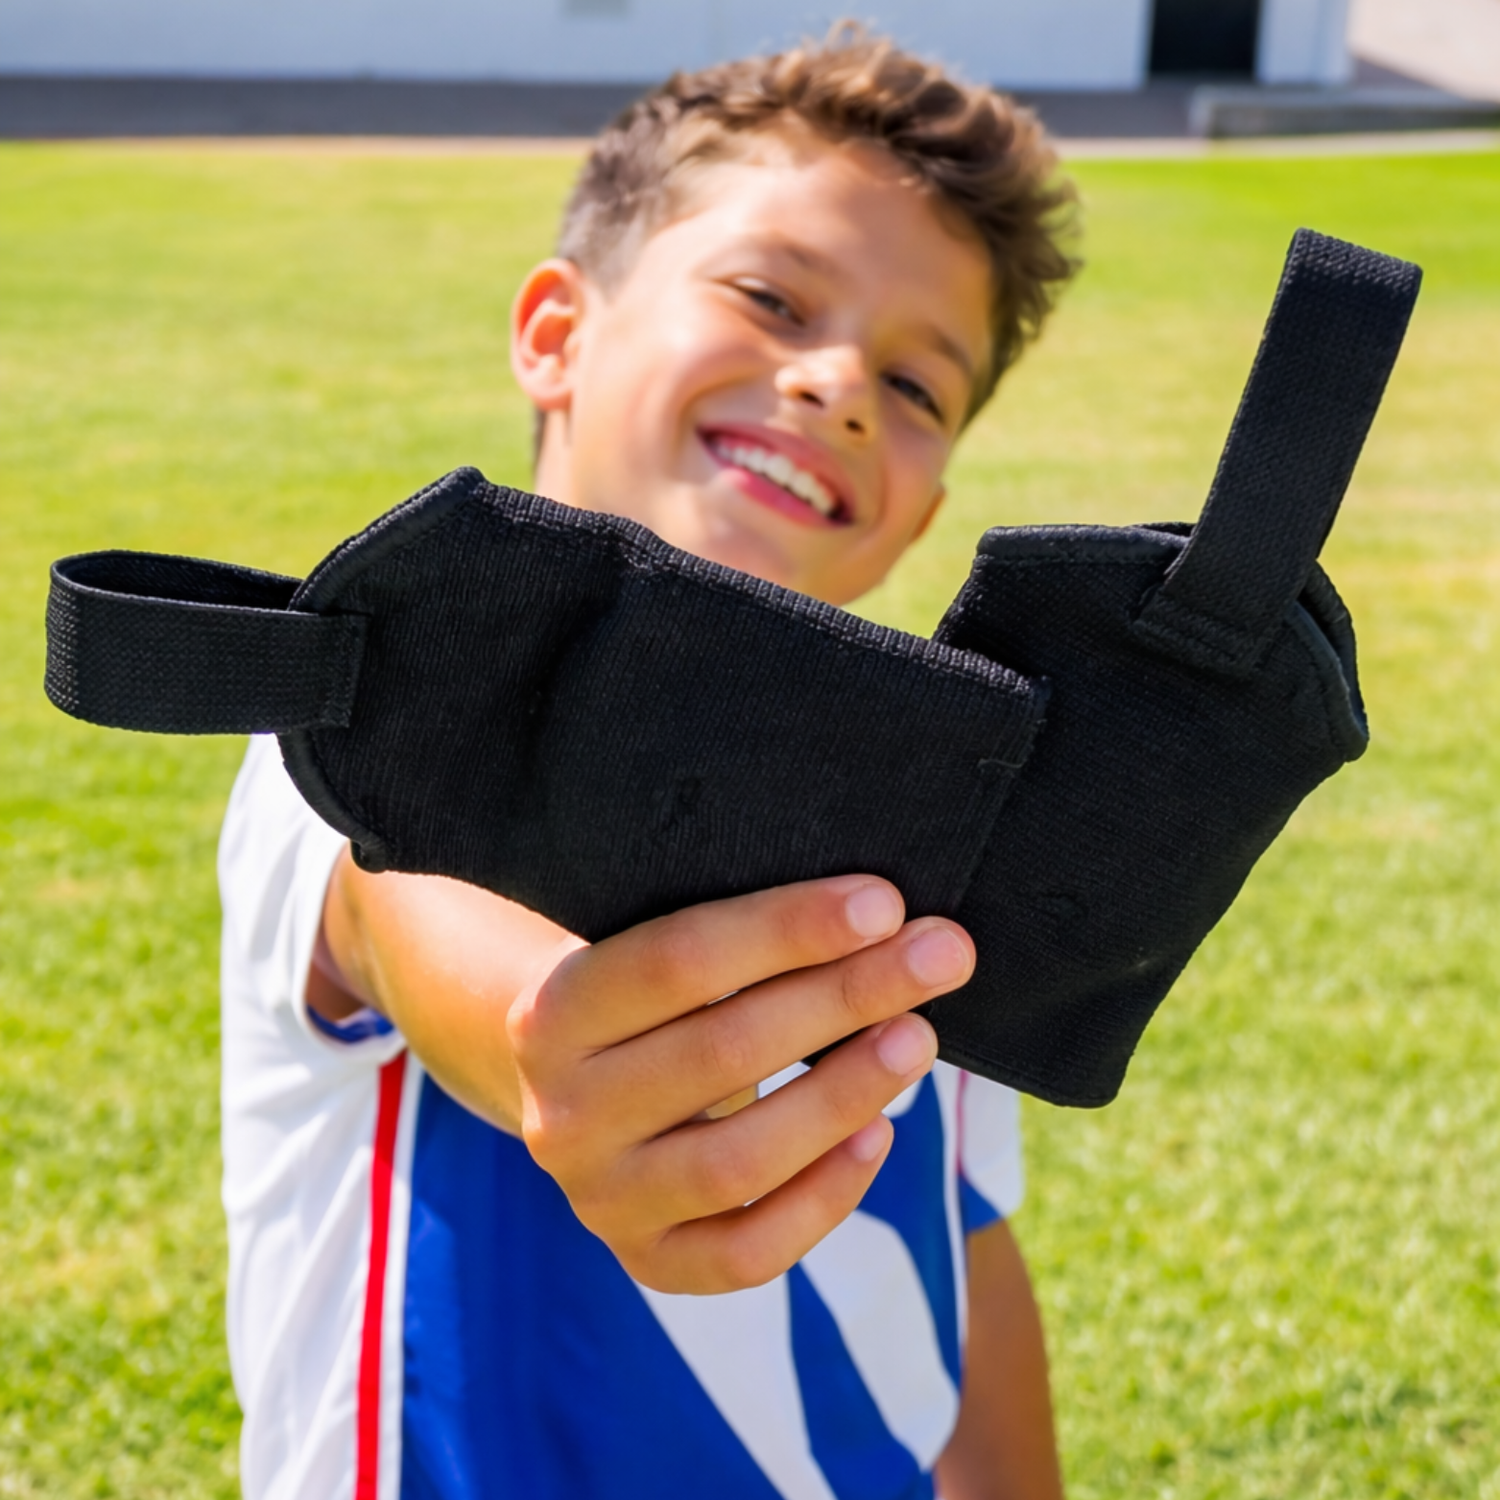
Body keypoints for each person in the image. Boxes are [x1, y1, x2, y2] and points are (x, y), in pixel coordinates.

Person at [218, 26, 1078, 1500]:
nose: (839, 384)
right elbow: (415, 922)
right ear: (557, 333)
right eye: (770, 297)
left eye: (917, 387)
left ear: (926, 512)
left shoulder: (933, 810)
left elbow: (961, 1230)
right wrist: (568, 1054)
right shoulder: (371, 724)